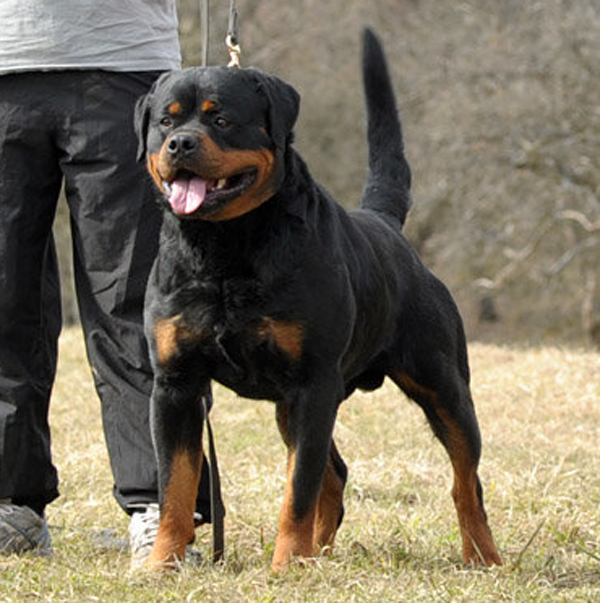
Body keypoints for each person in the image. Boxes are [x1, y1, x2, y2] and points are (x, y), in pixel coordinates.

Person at [0, 0, 211, 566]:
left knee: (135, 304)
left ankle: (163, 508)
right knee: (3, 300)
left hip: (124, 64)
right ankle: (10, 504)